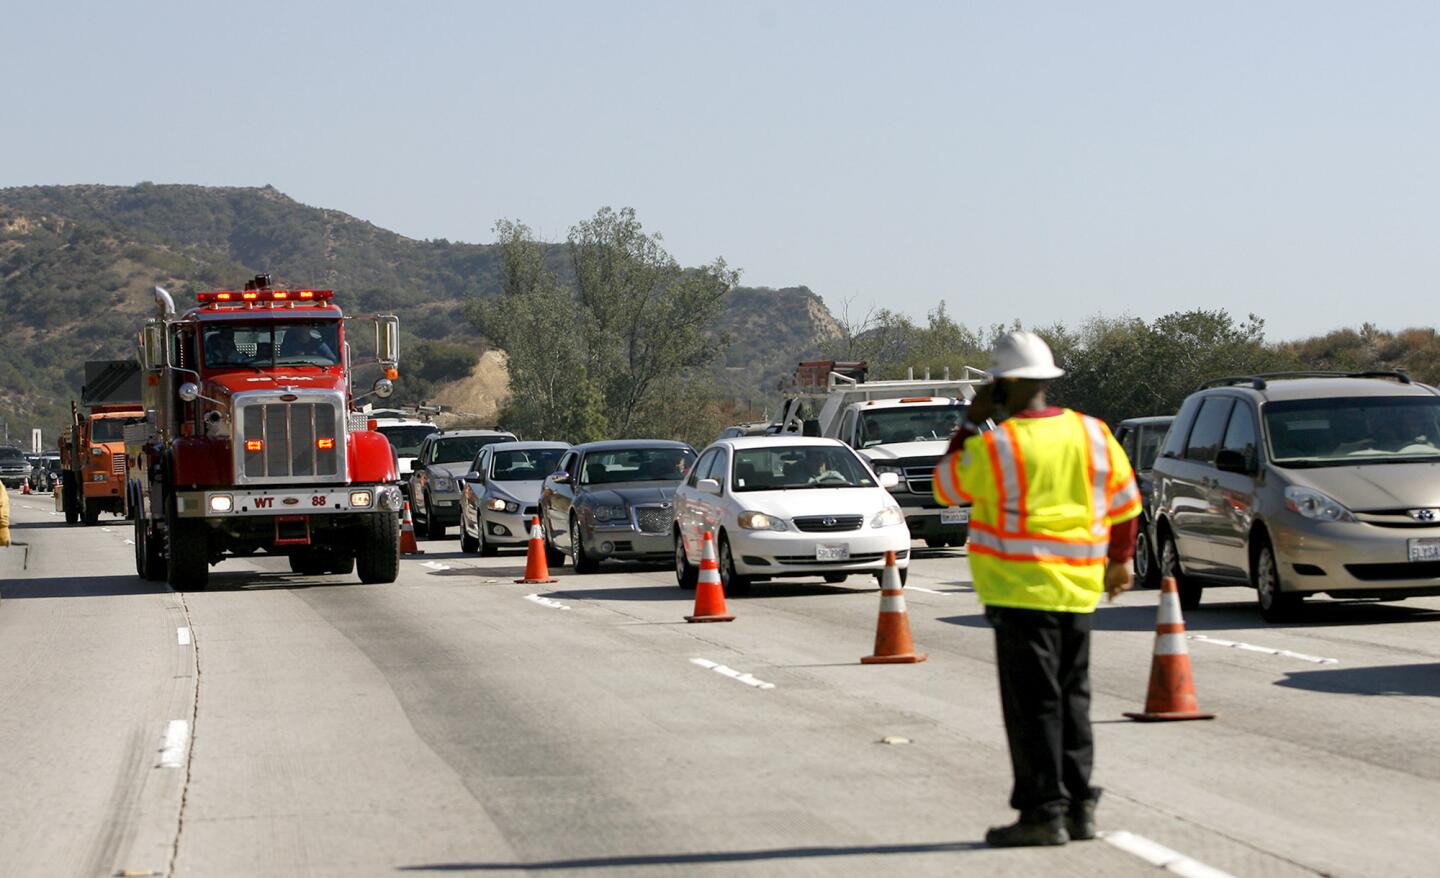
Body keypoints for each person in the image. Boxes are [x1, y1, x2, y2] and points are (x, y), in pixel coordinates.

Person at [932, 331, 1140, 848]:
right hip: (1077, 590)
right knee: (1073, 700)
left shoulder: (996, 445)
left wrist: (966, 421)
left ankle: (1043, 812)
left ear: (1005, 386)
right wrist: (1120, 561)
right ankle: (1078, 806)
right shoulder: (1092, 433)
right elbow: (1125, 503)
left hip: (1020, 591)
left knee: (1033, 708)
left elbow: (946, 487)